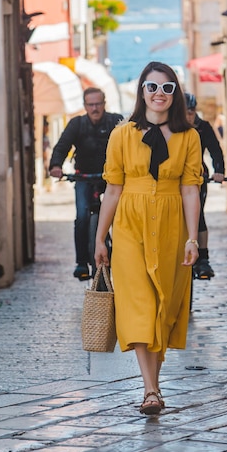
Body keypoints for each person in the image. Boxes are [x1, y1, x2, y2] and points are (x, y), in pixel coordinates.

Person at [94, 62, 202, 416]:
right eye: (152, 87)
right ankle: (151, 390)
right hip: (130, 225)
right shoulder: (122, 135)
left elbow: (190, 191)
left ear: (176, 95)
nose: (159, 94)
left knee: (164, 308)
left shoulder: (189, 137)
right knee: (139, 304)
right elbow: (112, 190)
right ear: (141, 91)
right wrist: (100, 240)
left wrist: (193, 239)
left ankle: (152, 387)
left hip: (172, 225)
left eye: (167, 88)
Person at [49, 88, 123, 281]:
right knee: (82, 216)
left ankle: (124, 257)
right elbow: (62, 146)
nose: (95, 108)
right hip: (84, 177)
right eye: (90, 105)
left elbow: (130, 144)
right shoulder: (77, 124)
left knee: (122, 218)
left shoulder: (116, 122)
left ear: (104, 103)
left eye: (98, 104)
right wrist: (56, 165)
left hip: (112, 179)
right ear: (85, 106)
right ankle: (81, 262)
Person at [184, 92, 225, 280]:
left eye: (191, 112)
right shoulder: (171, 128)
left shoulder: (203, 128)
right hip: (176, 180)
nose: (188, 117)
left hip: (198, 178)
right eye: (184, 112)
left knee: (198, 214)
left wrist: (219, 171)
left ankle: (204, 259)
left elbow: (216, 151)